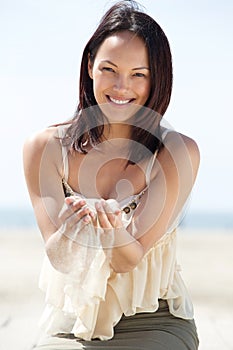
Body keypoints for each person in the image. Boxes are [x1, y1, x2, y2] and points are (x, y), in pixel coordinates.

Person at [23, 1, 200, 349]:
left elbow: (126, 259)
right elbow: (60, 260)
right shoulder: (44, 148)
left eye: (139, 74)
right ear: (90, 66)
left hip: (155, 319)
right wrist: (71, 229)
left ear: (157, 79)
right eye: (109, 68)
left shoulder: (177, 151)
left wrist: (109, 230)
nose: (122, 87)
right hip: (73, 323)